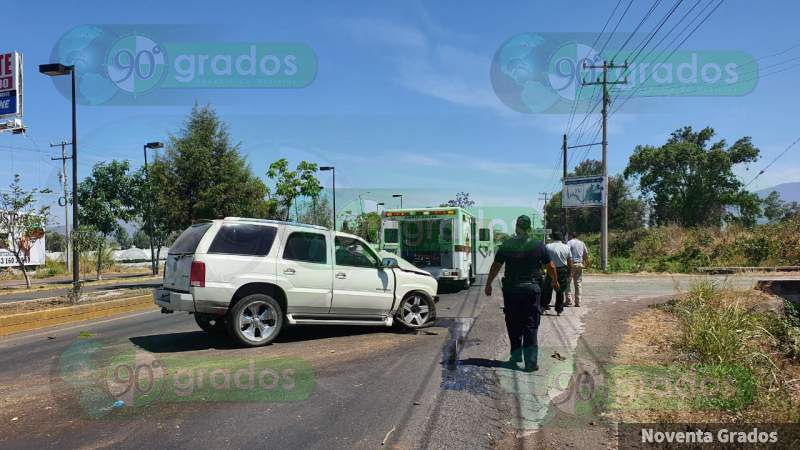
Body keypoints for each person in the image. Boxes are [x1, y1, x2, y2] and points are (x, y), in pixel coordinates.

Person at [485, 215, 558, 372]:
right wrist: (554, 281)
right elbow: (550, 266)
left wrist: (488, 283)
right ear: (529, 228)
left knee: (513, 323)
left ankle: (516, 355)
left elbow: (496, 266)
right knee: (530, 324)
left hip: (512, 290)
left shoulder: (507, 244)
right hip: (531, 289)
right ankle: (530, 363)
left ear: (517, 228)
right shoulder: (538, 245)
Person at [541, 232, 572, 315]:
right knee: (560, 290)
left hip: (550, 269)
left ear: (553, 238)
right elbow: (569, 262)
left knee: (547, 289)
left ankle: (543, 306)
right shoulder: (566, 247)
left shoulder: (548, 246)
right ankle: (559, 310)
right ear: (561, 238)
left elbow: (544, 260)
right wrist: (569, 273)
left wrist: (542, 269)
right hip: (562, 270)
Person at [566, 232, 589, 307]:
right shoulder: (582, 243)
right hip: (579, 264)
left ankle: (568, 300)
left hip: (571, 264)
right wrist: (586, 263)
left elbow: (566, 253)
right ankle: (578, 302)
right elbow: (586, 254)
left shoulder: (569, 242)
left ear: (571, 236)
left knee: (567, 282)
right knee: (578, 283)